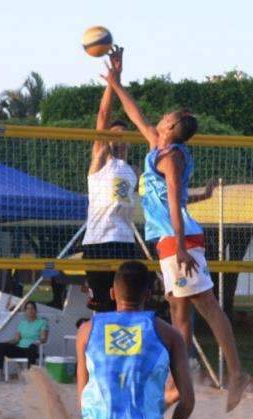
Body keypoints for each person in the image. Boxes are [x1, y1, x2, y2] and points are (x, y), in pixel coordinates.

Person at [101, 50, 248, 412]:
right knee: (179, 317)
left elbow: (171, 205)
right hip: (171, 240)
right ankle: (174, 385)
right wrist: (116, 82)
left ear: (171, 127)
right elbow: (135, 115)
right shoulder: (159, 147)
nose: (159, 119)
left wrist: (180, 245)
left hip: (177, 241)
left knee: (208, 308)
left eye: (165, 118)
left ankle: (237, 374)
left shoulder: (170, 156)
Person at [48, 261, 194, 419]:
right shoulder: (170, 335)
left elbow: (83, 400)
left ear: (112, 293)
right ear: (149, 293)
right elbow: (189, 401)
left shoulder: (87, 331)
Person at [82, 45, 139, 313]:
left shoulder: (133, 171)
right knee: (101, 308)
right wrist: (113, 81)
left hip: (125, 242)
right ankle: (97, 355)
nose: (118, 139)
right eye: (114, 135)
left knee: (128, 306)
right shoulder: (102, 161)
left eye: (122, 135)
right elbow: (103, 118)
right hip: (98, 243)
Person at [0, 301, 49, 382]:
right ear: (25, 311)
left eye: (32, 308)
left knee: (32, 347)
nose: (30, 310)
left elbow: (44, 338)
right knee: (0, 346)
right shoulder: (22, 323)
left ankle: (30, 375)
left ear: (35, 310)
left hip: (33, 349)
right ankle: (0, 374)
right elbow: (16, 340)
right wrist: (6, 343)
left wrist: (37, 342)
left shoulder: (42, 322)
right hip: (21, 349)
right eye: (28, 309)